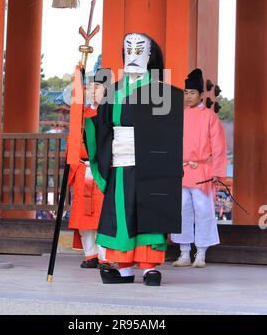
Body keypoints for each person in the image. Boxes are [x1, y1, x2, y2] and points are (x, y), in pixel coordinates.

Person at [84, 33, 183, 286]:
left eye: (140, 48)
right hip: (120, 158)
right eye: (128, 47)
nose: (134, 53)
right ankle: (125, 268)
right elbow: (103, 126)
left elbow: (169, 132)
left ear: (149, 56)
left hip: (151, 163)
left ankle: (149, 267)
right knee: (122, 213)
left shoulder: (162, 91)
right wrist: (85, 124)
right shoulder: (113, 91)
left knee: (149, 211)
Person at [171, 68, 227, 268]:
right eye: (186, 93)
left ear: (201, 95)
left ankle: (201, 253)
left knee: (203, 211)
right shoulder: (178, 116)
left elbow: (219, 147)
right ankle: (184, 252)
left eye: (192, 93)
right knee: (181, 211)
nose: (188, 97)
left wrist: (217, 172)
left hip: (202, 170)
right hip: (182, 170)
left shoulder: (210, 117)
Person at [68, 70, 109, 269]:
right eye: (90, 87)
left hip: (102, 170)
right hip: (83, 169)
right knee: (84, 216)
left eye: (98, 87)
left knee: (103, 215)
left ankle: (105, 255)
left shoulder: (111, 115)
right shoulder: (81, 116)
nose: (93, 92)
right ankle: (90, 253)